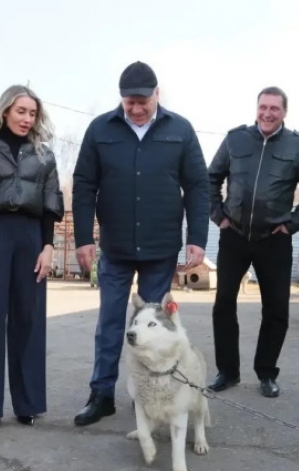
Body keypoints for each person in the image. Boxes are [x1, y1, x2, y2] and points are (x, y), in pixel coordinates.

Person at [72, 61, 209, 426]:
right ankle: (101, 394)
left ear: (157, 95)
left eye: (142, 101)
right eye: (129, 102)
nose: (135, 109)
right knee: (110, 323)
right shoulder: (100, 129)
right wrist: (83, 238)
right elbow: (84, 184)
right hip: (115, 247)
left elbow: (198, 185)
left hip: (160, 249)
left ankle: (147, 399)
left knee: (154, 327)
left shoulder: (180, 130)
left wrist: (197, 238)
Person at [207, 86, 299, 398]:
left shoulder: (298, 146)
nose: (267, 113)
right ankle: (227, 372)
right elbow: (211, 178)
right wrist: (218, 216)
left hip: (274, 239)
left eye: (274, 108)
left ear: (284, 112)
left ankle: (266, 373)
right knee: (223, 305)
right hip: (234, 235)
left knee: (276, 310)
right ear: (256, 109)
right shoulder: (235, 139)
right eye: (263, 107)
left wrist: (293, 223)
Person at [0, 85, 64, 431]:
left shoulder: (43, 154)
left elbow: (51, 202)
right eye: (21, 111)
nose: (27, 119)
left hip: (31, 236)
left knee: (29, 318)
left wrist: (48, 247)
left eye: (33, 113)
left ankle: (28, 403)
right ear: (5, 110)